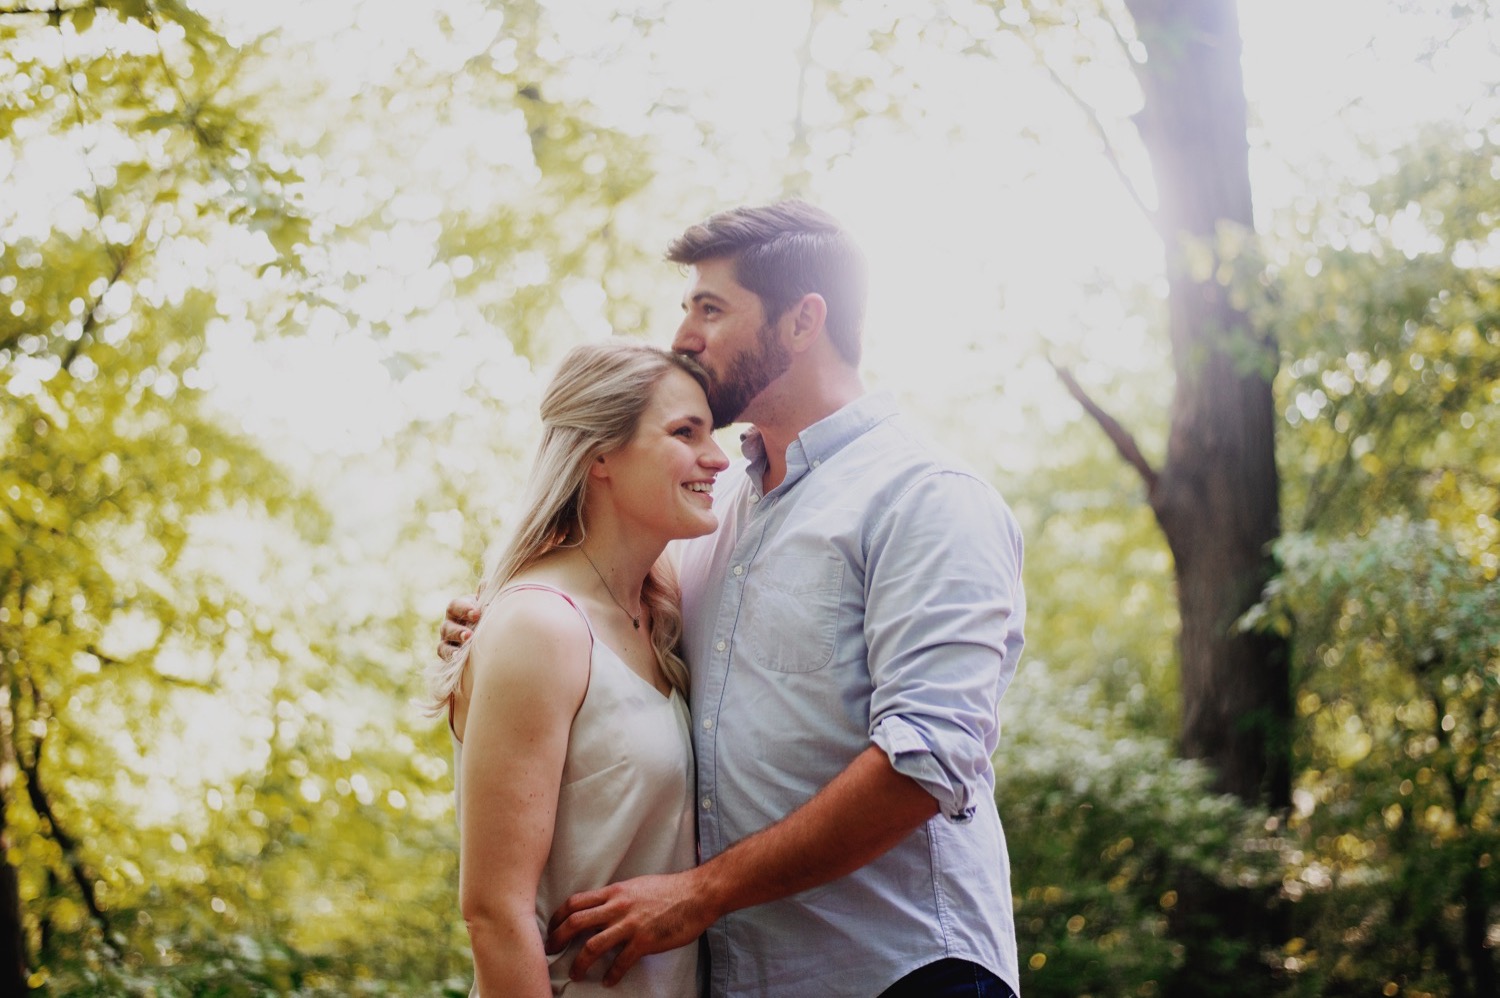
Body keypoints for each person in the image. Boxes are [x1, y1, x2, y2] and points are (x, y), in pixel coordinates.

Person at [442, 201, 1025, 998]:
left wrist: (701, 892)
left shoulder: (924, 496)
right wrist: (499, 624)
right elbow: (597, 629)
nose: (684, 333)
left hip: (902, 971)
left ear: (801, 322)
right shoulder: (712, 521)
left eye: (710, 308)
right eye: (686, 307)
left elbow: (927, 759)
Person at [428, 341, 729, 997]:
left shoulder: (663, 611)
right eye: (685, 433)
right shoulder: (540, 626)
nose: (719, 458)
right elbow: (495, 915)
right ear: (599, 456)